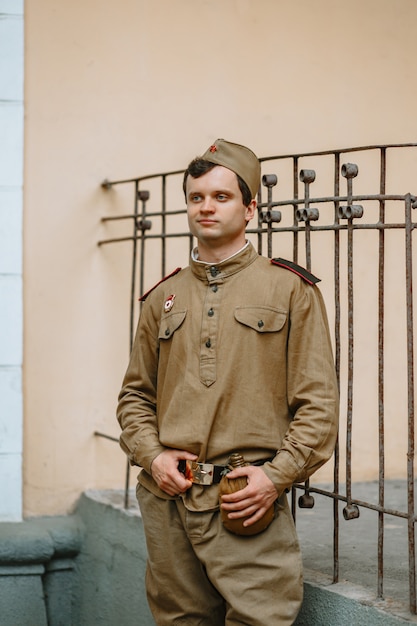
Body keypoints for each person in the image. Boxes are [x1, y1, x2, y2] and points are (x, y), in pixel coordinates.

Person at [117, 138, 339, 625]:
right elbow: (135, 396)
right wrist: (152, 456)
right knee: (179, 621)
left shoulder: (289, 289)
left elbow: (318, 404)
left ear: (250, 207)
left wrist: (275, 477)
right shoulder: (162, 298)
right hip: (168, 501)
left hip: (244, 499)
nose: (206, 208)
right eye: (196, 198)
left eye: (221, 196)